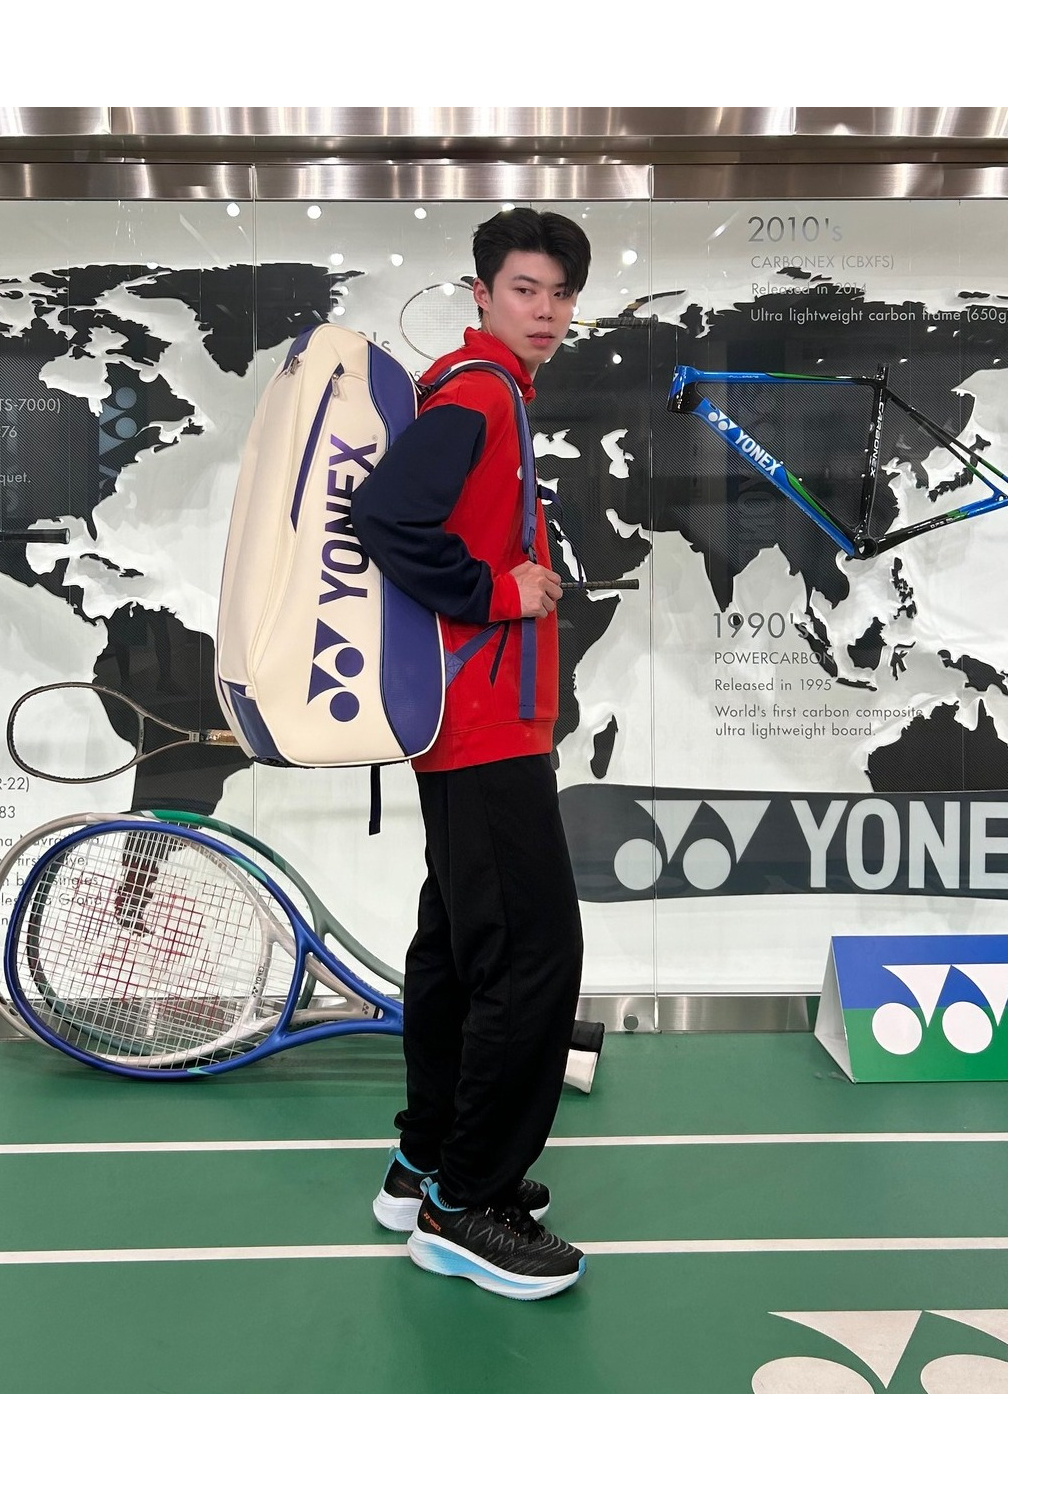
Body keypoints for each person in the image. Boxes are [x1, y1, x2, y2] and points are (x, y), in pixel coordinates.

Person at [352, 208, 591, 1301]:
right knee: (532, 956)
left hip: (474, 720)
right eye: (525, 289)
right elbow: (389, 518)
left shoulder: (488, 389)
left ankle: (426, 1165)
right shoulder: (481, 390)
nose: (545, 311)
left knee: (456, 948)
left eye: (560, 293)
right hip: (484, 722)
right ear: (483, 293)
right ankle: (466, 1208)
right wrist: (497, 591)